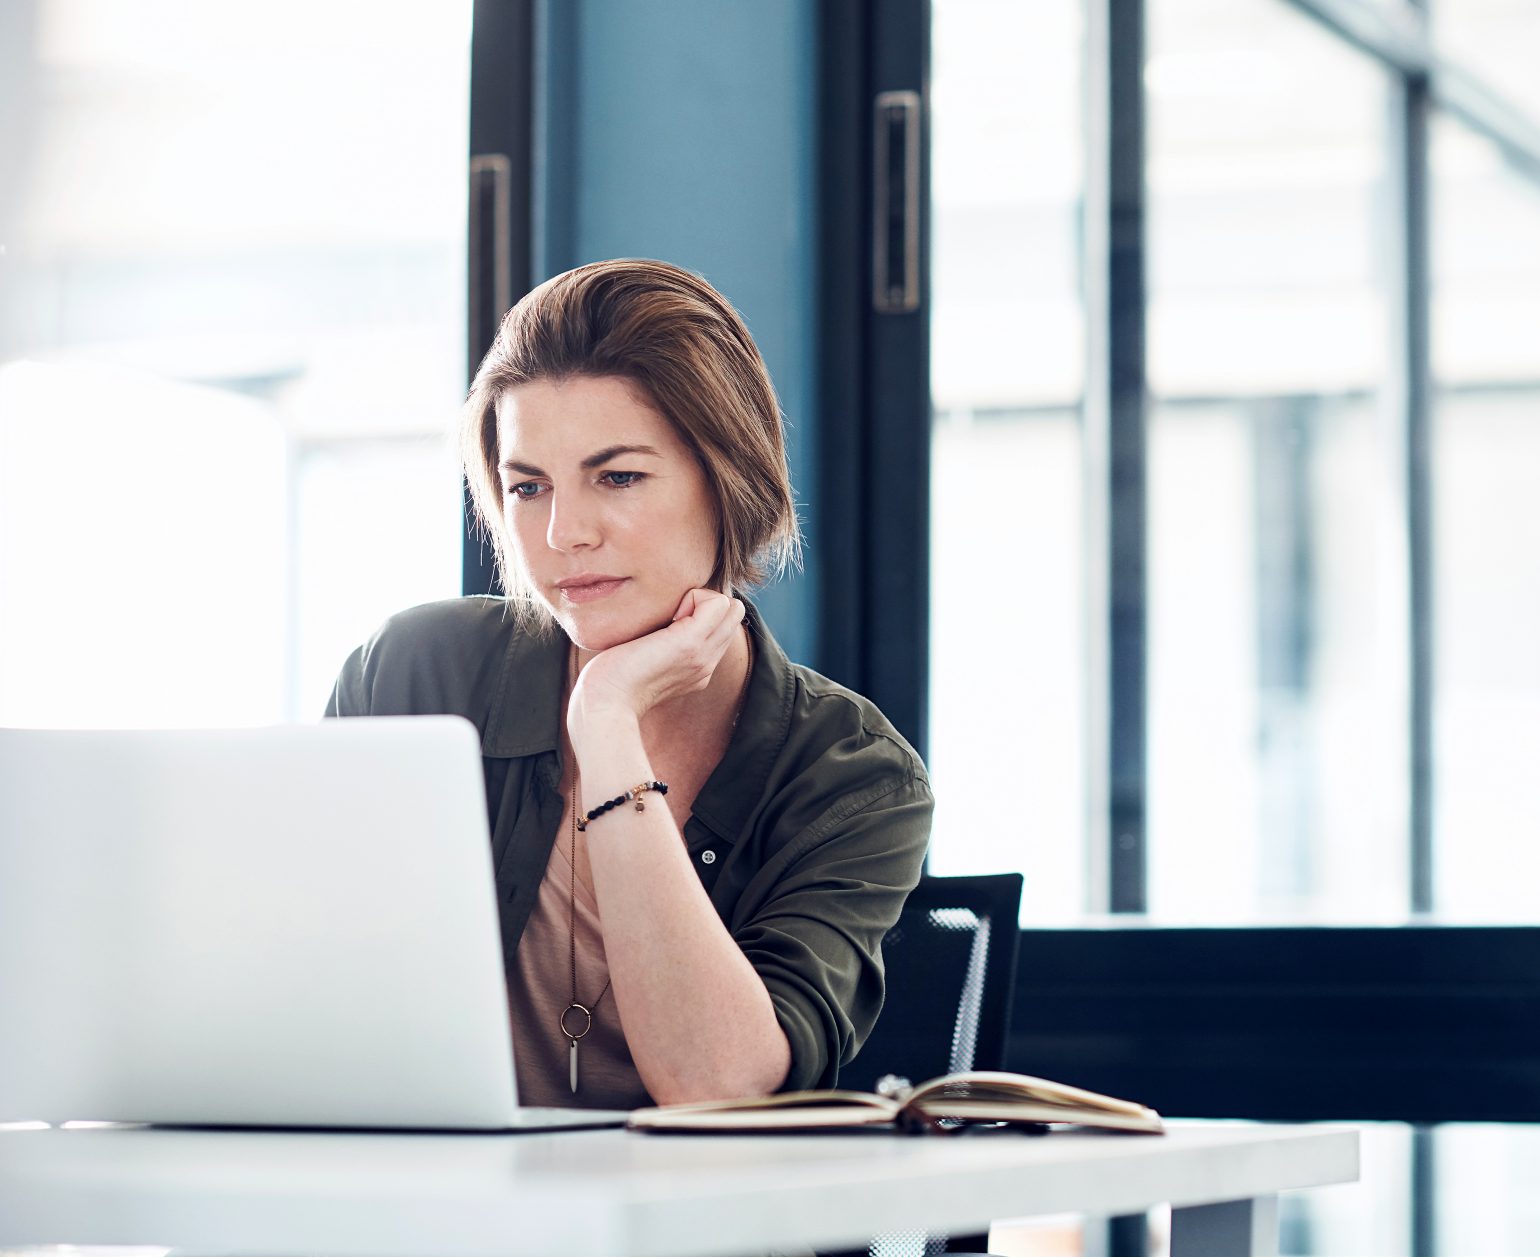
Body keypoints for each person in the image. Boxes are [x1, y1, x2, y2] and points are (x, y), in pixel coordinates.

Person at [327, 258, 931, 1110]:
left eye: (617, 477)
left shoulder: (851, 775)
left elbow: (713, 1083)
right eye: (528, 487)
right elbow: (298, 990)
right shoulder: (417, 674)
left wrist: (607, 724)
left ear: (728, 484)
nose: (563, 533)